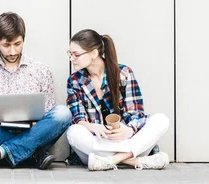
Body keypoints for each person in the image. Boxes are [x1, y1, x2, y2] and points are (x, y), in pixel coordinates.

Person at [0, 12, 72, 170]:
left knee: (63, 113)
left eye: (17, 44)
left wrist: (32, 123)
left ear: (24, 39)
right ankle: (32, 152)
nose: (12, 52)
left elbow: (48, 115)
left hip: (30, 130)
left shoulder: (40, 70)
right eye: (6, 45)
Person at [65, 29, 170, 171]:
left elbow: (136, 113)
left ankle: (111, 161)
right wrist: (95, 128)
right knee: (73, 132)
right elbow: (79, 118)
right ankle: (137, 162)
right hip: (98, 144)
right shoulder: (75, 81)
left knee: (161, 119)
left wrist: (128, 130)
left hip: (126, 143)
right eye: (70, 54)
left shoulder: (124, 73)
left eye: (76, 54)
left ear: (94, 53)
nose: (72, 58)